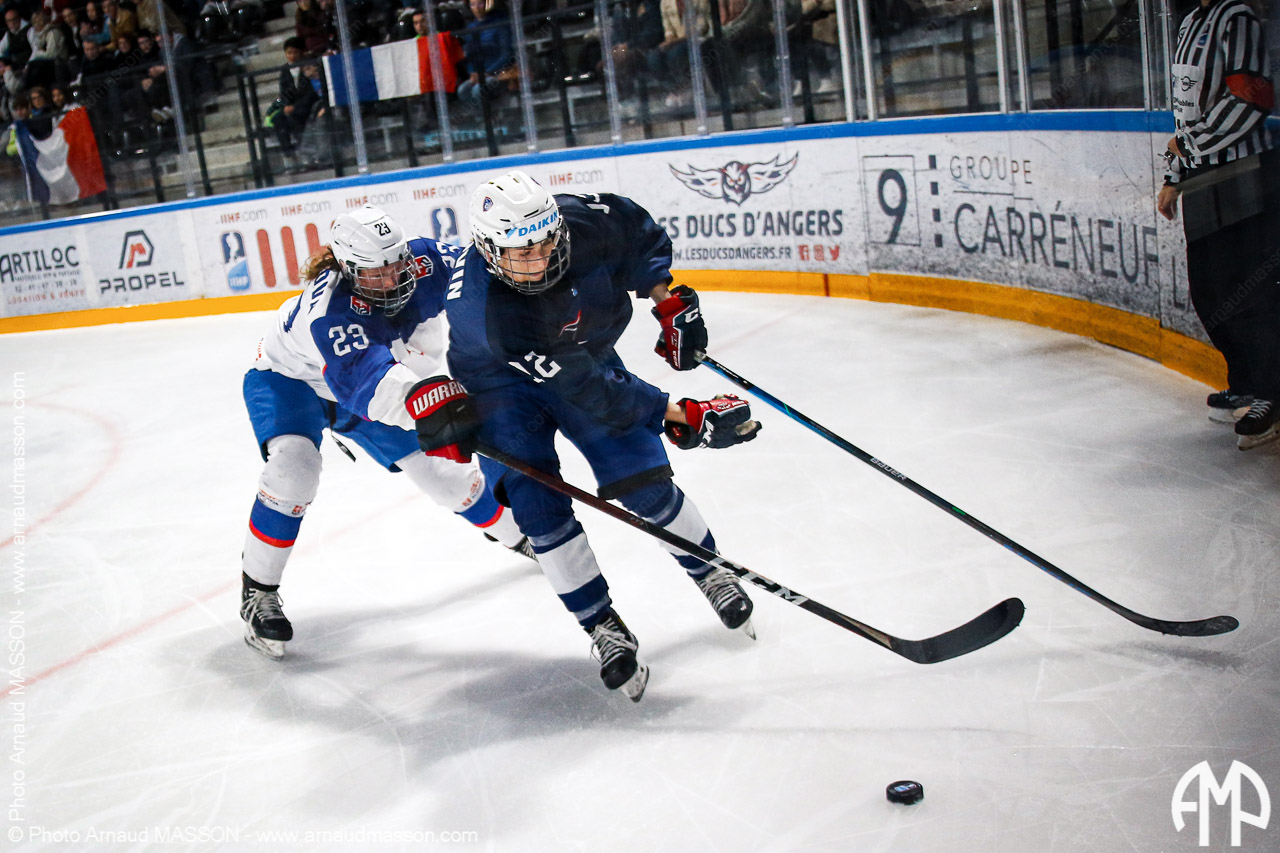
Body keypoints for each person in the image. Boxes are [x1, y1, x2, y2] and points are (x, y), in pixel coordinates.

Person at [412, 171, 761, 702]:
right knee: (537, 503)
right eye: (521, 253)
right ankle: (600, 623)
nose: (538, 259)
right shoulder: (486, 308)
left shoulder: (583, 219)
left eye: (545, 243)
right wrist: (680, 413)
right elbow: (590, 390)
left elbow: (636, 232)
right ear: (488, 250)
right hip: (500, 386)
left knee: (643, 480)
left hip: (581, 352)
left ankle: (709, 571)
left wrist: (665, 299)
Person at [239, 205, 533, 660]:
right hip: (290, 381)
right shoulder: (330, 312)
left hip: (370, 378)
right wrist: (439, 413)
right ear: (348, 270)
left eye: (397, 264)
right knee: (295, 469)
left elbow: (480, 274)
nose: (393, 279)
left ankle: (525, 537)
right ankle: (257, 591)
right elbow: (372, 386)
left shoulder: (425, 261)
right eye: (376, 273)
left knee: (446, 477)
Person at [1156, 0, 1280, 450]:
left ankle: (1271, 393)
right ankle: (1245, 381)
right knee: (1210, 291)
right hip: (1203, 180)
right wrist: (1173, 176)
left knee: (1251, 293)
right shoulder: (1191, 22)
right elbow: (1184, 109)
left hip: (1245, 176)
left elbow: (1252, 97)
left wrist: (1187, 145)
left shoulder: (1236, 19)